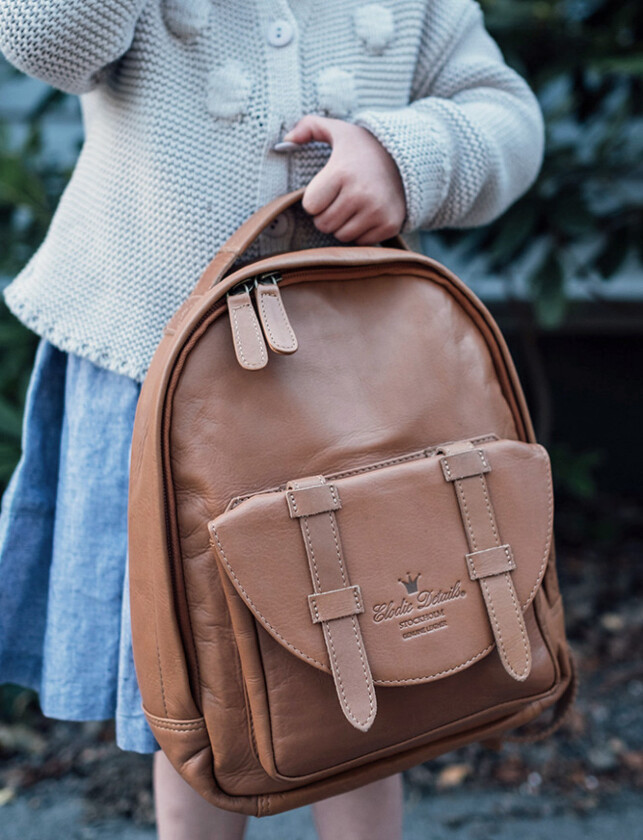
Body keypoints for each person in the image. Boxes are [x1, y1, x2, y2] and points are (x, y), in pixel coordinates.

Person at [0, 1, 545, 838]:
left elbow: (504, 113)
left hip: (361, 401)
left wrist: (403, 158)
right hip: (163, 385)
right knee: (200, 688)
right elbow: (42, 39)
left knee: (371, 671)